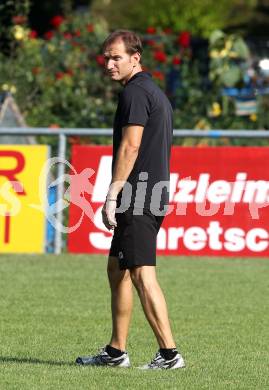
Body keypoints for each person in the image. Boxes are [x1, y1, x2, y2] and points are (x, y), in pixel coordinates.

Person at [76, 30, 185, 370]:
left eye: (116, 57)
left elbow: (131, 146)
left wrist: (112, 194)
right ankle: (115, 351)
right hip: (147, 193)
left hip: (137, 195)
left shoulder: (135, 94)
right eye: (106, 57)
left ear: (135, 58)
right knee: (118, 269)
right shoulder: (151, 91)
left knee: (140, 273)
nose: (109, 64)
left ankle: (169, 355)